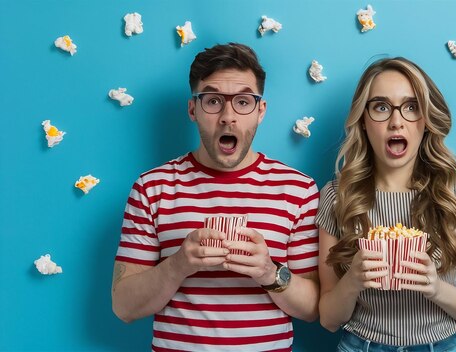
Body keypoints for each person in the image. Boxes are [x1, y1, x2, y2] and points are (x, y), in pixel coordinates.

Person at [111, 43, 320, 352]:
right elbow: (124, 306)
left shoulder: (298, 189)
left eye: (243, 102)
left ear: (260, 111)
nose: (227, 117)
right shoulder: (152, 188)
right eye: (212, 101)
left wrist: (268, 272)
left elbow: (313, 308)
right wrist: (178, 265)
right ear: (193, 109)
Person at [316, 57, 456, 351]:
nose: (396, 121)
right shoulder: (337, 196)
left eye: (411, 107)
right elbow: (328, 319)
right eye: (381, 107)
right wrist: (352, 281)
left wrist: (436, 288)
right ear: (363, 120)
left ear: (426, 120)